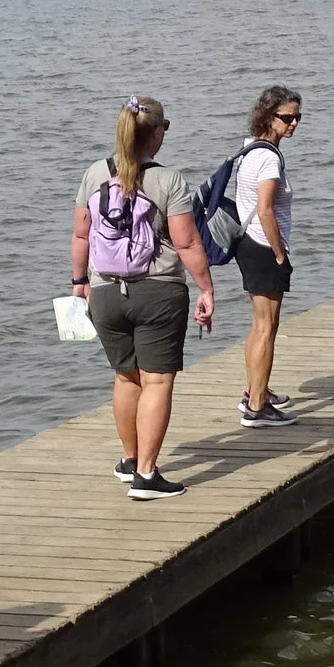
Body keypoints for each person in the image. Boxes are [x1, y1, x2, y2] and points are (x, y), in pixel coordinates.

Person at [71, 97, 217, 499]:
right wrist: (205, 288)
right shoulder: (168, 180)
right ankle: (148, 477)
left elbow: (81, 235)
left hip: (104, 293)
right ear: (154, 133)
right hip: (158, 293)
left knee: (125, 377)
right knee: (157, 381)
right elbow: (186, 243)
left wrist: (78, 282)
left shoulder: (94, 174)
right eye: (164, 127)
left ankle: (130, 460)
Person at [232, 86, 302, 427]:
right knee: (267, 326)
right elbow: (264, 210)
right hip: (263, 246)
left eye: (297, 117)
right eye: (286, 117)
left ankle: (254, 390)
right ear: (267, 116)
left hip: (248, 245)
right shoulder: (269, 158)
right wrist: (279, 254)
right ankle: (257, 407)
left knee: (260, 324)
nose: (293, 124)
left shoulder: (250, 149)